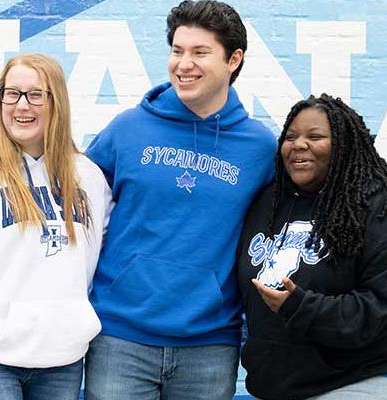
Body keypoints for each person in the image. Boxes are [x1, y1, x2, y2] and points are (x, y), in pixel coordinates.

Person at [83, 1, 276, 399]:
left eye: (200, 52)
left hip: (209, 344)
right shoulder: (127, 130)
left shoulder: (258, 148)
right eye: (177, 50)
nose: (184, 64)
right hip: (119, 337)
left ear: (233, 60)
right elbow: (75, 208)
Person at [0, 53, 112, 400]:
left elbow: (94, 261)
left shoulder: (87, 177)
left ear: (56, 101)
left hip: (62, 362)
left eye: (35, 94)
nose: (21, 105)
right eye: (11, 93)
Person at [237, 94, 387, 400]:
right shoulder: (268, 204)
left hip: (360, 380)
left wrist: (300, 307)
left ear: (343, 145)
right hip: (283, 387)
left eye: (315, 136)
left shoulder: (378, 209)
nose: (298, 145)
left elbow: (381, 308)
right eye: (291, 136)